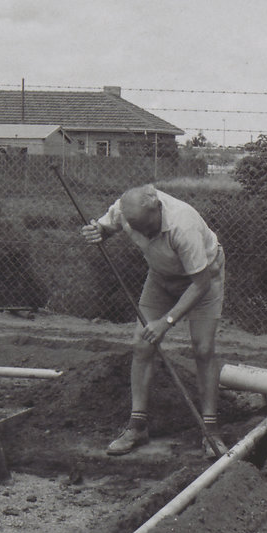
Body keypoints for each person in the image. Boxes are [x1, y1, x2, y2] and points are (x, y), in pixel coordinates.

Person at [82, 184, 227, 459]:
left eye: (149, 229)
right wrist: (97, 232)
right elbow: (105, 229)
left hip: (204, 278)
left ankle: (211, 431)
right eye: (139, 230)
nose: (145, 235)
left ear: (158, 208)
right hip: (161, 278)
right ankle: (137, 427)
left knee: (203, 349)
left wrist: (167, 321)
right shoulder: (126, 211)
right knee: (141, 344)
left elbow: (201, 283)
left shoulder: (183, 225)